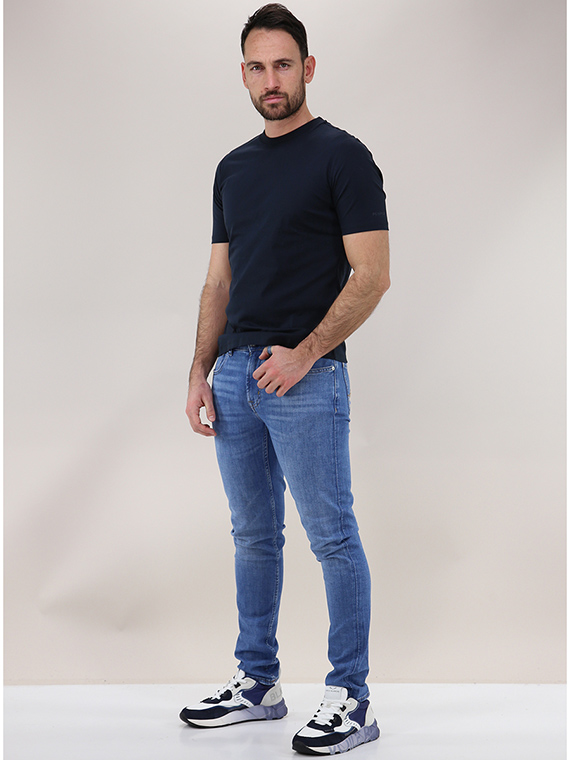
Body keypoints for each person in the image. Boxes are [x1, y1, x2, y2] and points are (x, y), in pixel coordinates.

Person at [180, 3, 390, 755]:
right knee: (252, 536)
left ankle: (351, 696)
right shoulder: (232, 168)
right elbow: (219, 281)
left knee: (332, 537)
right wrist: (201, 369)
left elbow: (373, 275)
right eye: (257, 67)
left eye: (283, 64)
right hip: (235, 376)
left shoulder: (344, 156)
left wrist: (304, 353)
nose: (271, 80)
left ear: (308, 68)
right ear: (243, 74)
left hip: (306, 377)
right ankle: (258, 683)